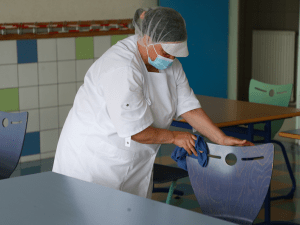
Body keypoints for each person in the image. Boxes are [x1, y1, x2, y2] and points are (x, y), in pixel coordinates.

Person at [52, 7, 254, 199]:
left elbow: (188, 106)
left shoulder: (170, 64)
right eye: (166, 53)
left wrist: (221, 138)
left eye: (174, 54)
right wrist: (174, 137)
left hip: (133, 162)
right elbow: (136, 131)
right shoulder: (122, 68)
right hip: (95, 162)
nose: (171, 58)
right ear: (147, 39)